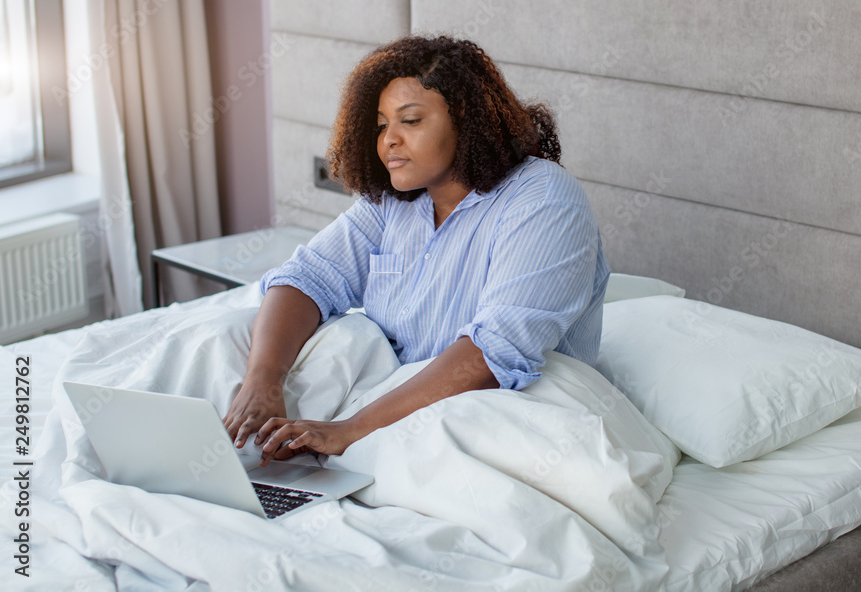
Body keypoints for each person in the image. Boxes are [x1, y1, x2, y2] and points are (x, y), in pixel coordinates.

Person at [223, 34, 609, 466]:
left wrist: (349, 432)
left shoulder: (543, 200)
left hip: (493, 412)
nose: (389, 140)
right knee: (231, 336)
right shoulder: (395, 200)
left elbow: (493, 355)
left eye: (410, 120)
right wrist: (262, 382)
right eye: (381, 125)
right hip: (388, 399)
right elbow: (307, 278)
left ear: (466, 119)